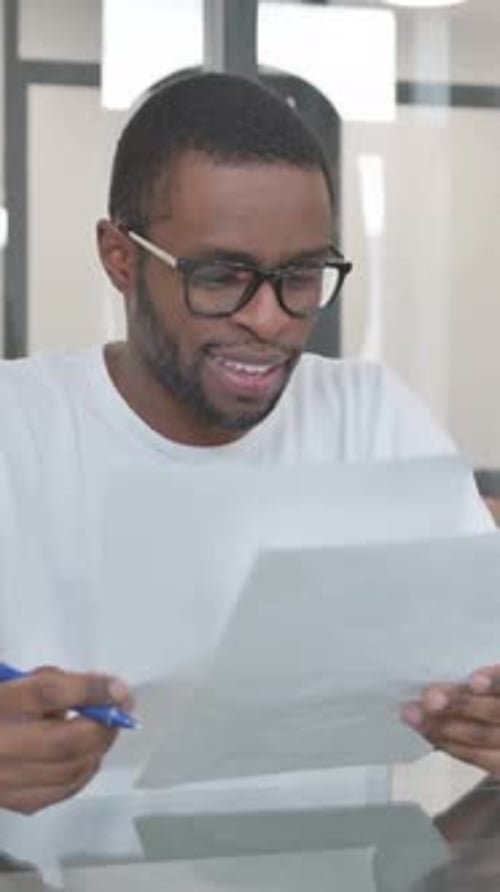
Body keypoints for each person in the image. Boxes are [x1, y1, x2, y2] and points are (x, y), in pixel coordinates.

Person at [0, 72, 497, 820]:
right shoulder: (18, 427)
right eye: (222, 276)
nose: (268, 319)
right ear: (120, 258)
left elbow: (479, 658)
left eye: (300, 276)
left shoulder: (371, 415)